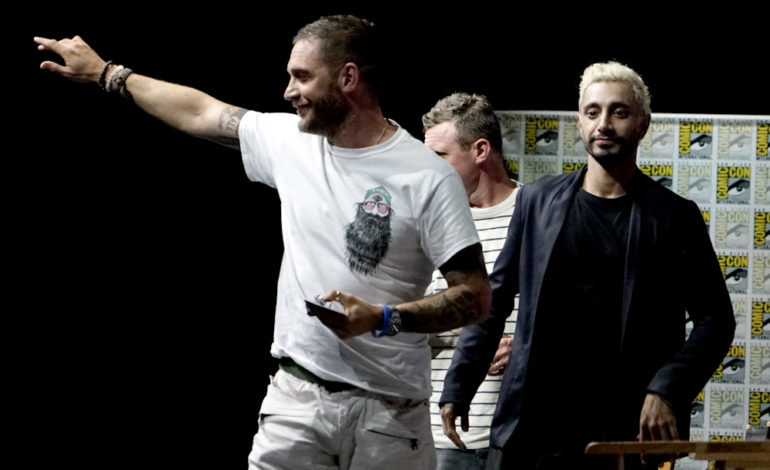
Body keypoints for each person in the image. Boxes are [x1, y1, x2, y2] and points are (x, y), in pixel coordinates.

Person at [35, 15, 491, 470]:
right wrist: (107, 73)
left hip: (389, 416)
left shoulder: (427, 177)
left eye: (302, 77)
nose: (289, 91)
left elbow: (474, 298)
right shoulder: (290, 142)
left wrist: (383, 318)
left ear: (348, 77)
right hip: (297, 399)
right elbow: (201, 112)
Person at [439, 61, 735, 469]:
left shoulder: (674, 217)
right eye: (593, 112)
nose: (604, 124)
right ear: (580, 122)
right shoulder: (537, 202)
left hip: (623, 431)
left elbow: (716, 321)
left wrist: (666, 389)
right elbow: (494, 301)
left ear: (643, 125)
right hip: (534, 429)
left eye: (619, 112)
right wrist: (459, 384)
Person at [422, 92, 518, 470]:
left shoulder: (538, 216)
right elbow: (397, 318)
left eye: (439, 157)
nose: (428, 170)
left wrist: (526, 345)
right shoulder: (425, 225)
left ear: (480, 150)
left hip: (518, 436)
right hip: (439, 439)